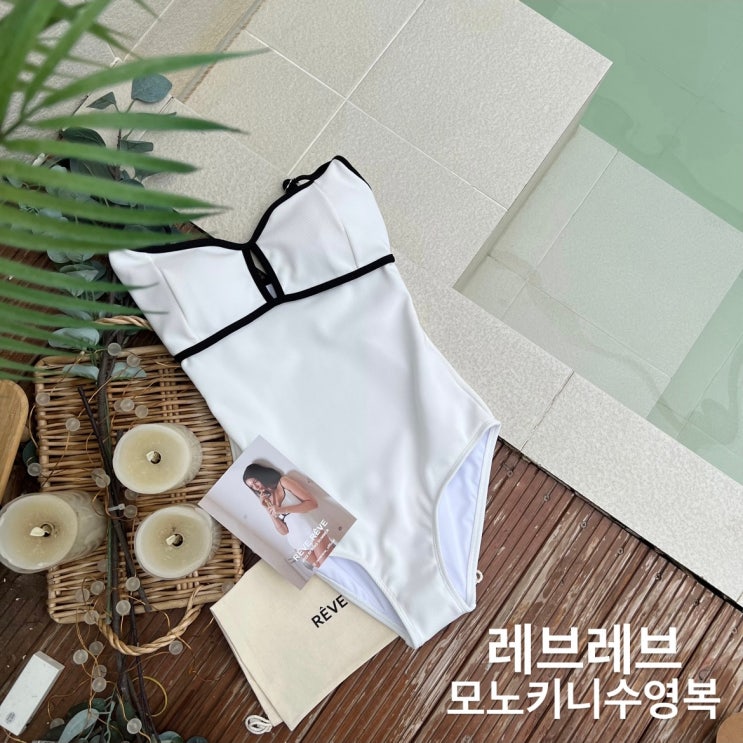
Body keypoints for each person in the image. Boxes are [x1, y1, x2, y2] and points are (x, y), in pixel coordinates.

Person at [243, 463, 334, 568]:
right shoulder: (269, 500)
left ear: (261, 475)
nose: (255, 487)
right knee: (323, 570)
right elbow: (284, 531)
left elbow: (313, 504)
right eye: (251, 486)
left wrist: (282, 509)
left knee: (329, 566)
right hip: (297, 542)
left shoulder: (284, 482)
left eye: (255, 481)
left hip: (312, 531)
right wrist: (266, 507)